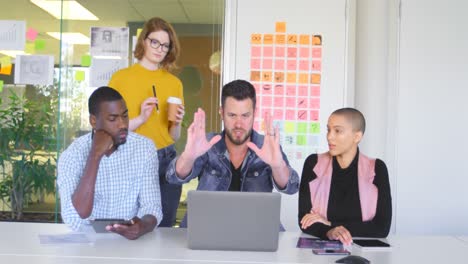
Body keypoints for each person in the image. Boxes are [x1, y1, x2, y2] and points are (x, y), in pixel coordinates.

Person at [166, 79, 299, 227]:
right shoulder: (208, 144)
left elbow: (292, 187)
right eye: (232, 115)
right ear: (221, 113)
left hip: (257, 231)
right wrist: (188, 157)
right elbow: (173, 178)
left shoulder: (267, 146)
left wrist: (278, 166)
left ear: (255, 113)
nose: (238, 124)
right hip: (207, 230)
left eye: (245, 115)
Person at [57, 86, 162, 240]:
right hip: (86, 242)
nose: (123, 124)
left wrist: (142, 226)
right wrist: (95, 156)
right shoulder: (72, 155)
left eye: (125, 116)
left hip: (131, 243)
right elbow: (73, 218)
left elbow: (152, 207)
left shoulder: (144, 148)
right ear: (93, 121)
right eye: (113, 119)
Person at [109, 17, 184, 227]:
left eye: (165, 45)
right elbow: (111, 130)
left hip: (165, 158)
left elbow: (173, 136)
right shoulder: (120, 78)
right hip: (131, 156)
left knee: (164, 225)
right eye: (155, 42)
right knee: (130, 224)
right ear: (144, 41)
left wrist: (177, 123)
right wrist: (141, 118)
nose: (160, 49)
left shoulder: (174, 83)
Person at [298, 108, 392, 245]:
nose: (329, 136)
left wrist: (330, 224)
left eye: (338, 131)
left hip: (365, 251)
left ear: (357, 137)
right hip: (321, 252)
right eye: (328, 130)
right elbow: (304, 221)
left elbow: (382, 228)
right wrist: (329, 232)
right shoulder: (313, 163)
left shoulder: (377, 168)